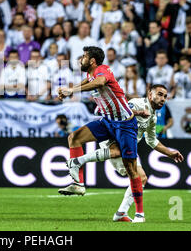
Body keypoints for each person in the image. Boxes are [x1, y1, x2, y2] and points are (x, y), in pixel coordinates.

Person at [56, 46, 145, 223]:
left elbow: (100, 82)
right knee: (74, 137)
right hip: (106, 121)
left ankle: (139, 214)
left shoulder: (103, 70)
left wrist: (71, 91)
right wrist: (69, 89)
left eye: (84, 56)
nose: (81, 59)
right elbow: (86, 82)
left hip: (125, 124)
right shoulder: (90, 75)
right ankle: (78, 184)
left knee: (131, 170)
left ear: (92, 61)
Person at [72, 85, 183, 221]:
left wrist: (170, 153)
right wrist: (139, 112)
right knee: (117, 152)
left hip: (127, 146)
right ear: (149, 95)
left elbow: (152, 140)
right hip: (113, 136)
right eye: (159, 94)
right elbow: (122, 111)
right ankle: (78, 161)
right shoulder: (137, 103)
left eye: (165, 96)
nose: (162, 99)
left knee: (141, 177)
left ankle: (121, 213)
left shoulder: (153, 118)